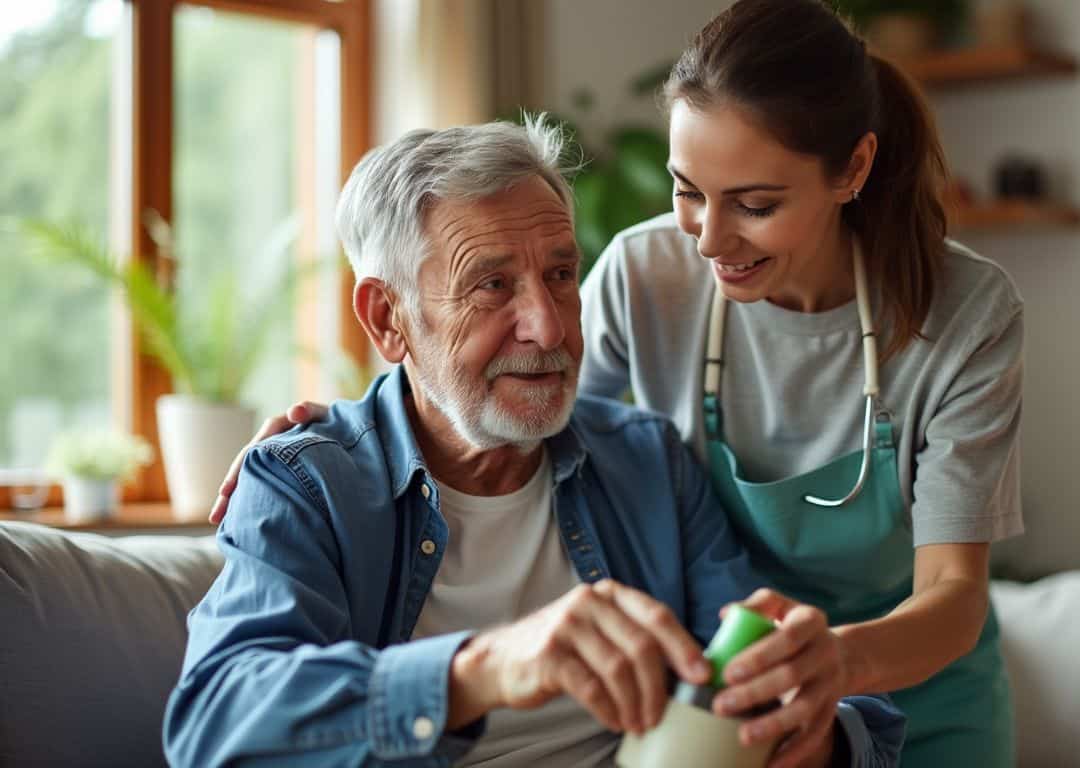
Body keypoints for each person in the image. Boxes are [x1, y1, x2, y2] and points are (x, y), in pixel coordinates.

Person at [214, 0, 1025, 764]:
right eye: (686, 191)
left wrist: (819, 703)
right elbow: (495, 393)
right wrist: (346, 434)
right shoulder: (649, 274)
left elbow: (949, 595)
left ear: (852, 170)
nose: (709, 239)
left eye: (754, 203)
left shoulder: (957, 315)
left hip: (896, 687)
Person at [164, 119, 906, 768]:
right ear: (388, 318)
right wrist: (483, 669)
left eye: (559, 275)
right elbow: (214, 725)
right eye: (491, 286)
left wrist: (819, 734)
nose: (548, 327)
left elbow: (760, 674)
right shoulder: (304, 485)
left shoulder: (648, 462)